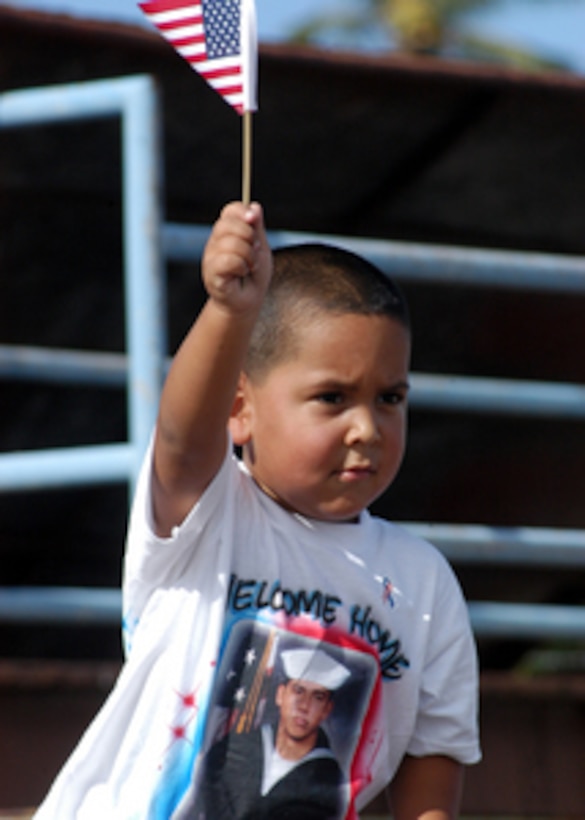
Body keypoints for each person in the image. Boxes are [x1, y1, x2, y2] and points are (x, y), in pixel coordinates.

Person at [34, 202, 481, 819]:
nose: (367, 428)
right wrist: (228, 311)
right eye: (332, 397)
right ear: (239, 410)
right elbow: (181, 442)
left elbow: (432, 782)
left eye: (389, 397)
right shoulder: (211, 517)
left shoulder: (426, 583)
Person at [182, 647, 351, 819]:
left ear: (327, 710)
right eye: (298, 690)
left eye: (318, 697)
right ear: (280, 694)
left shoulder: (332, 781)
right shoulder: (231, 750)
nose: (304, 706)